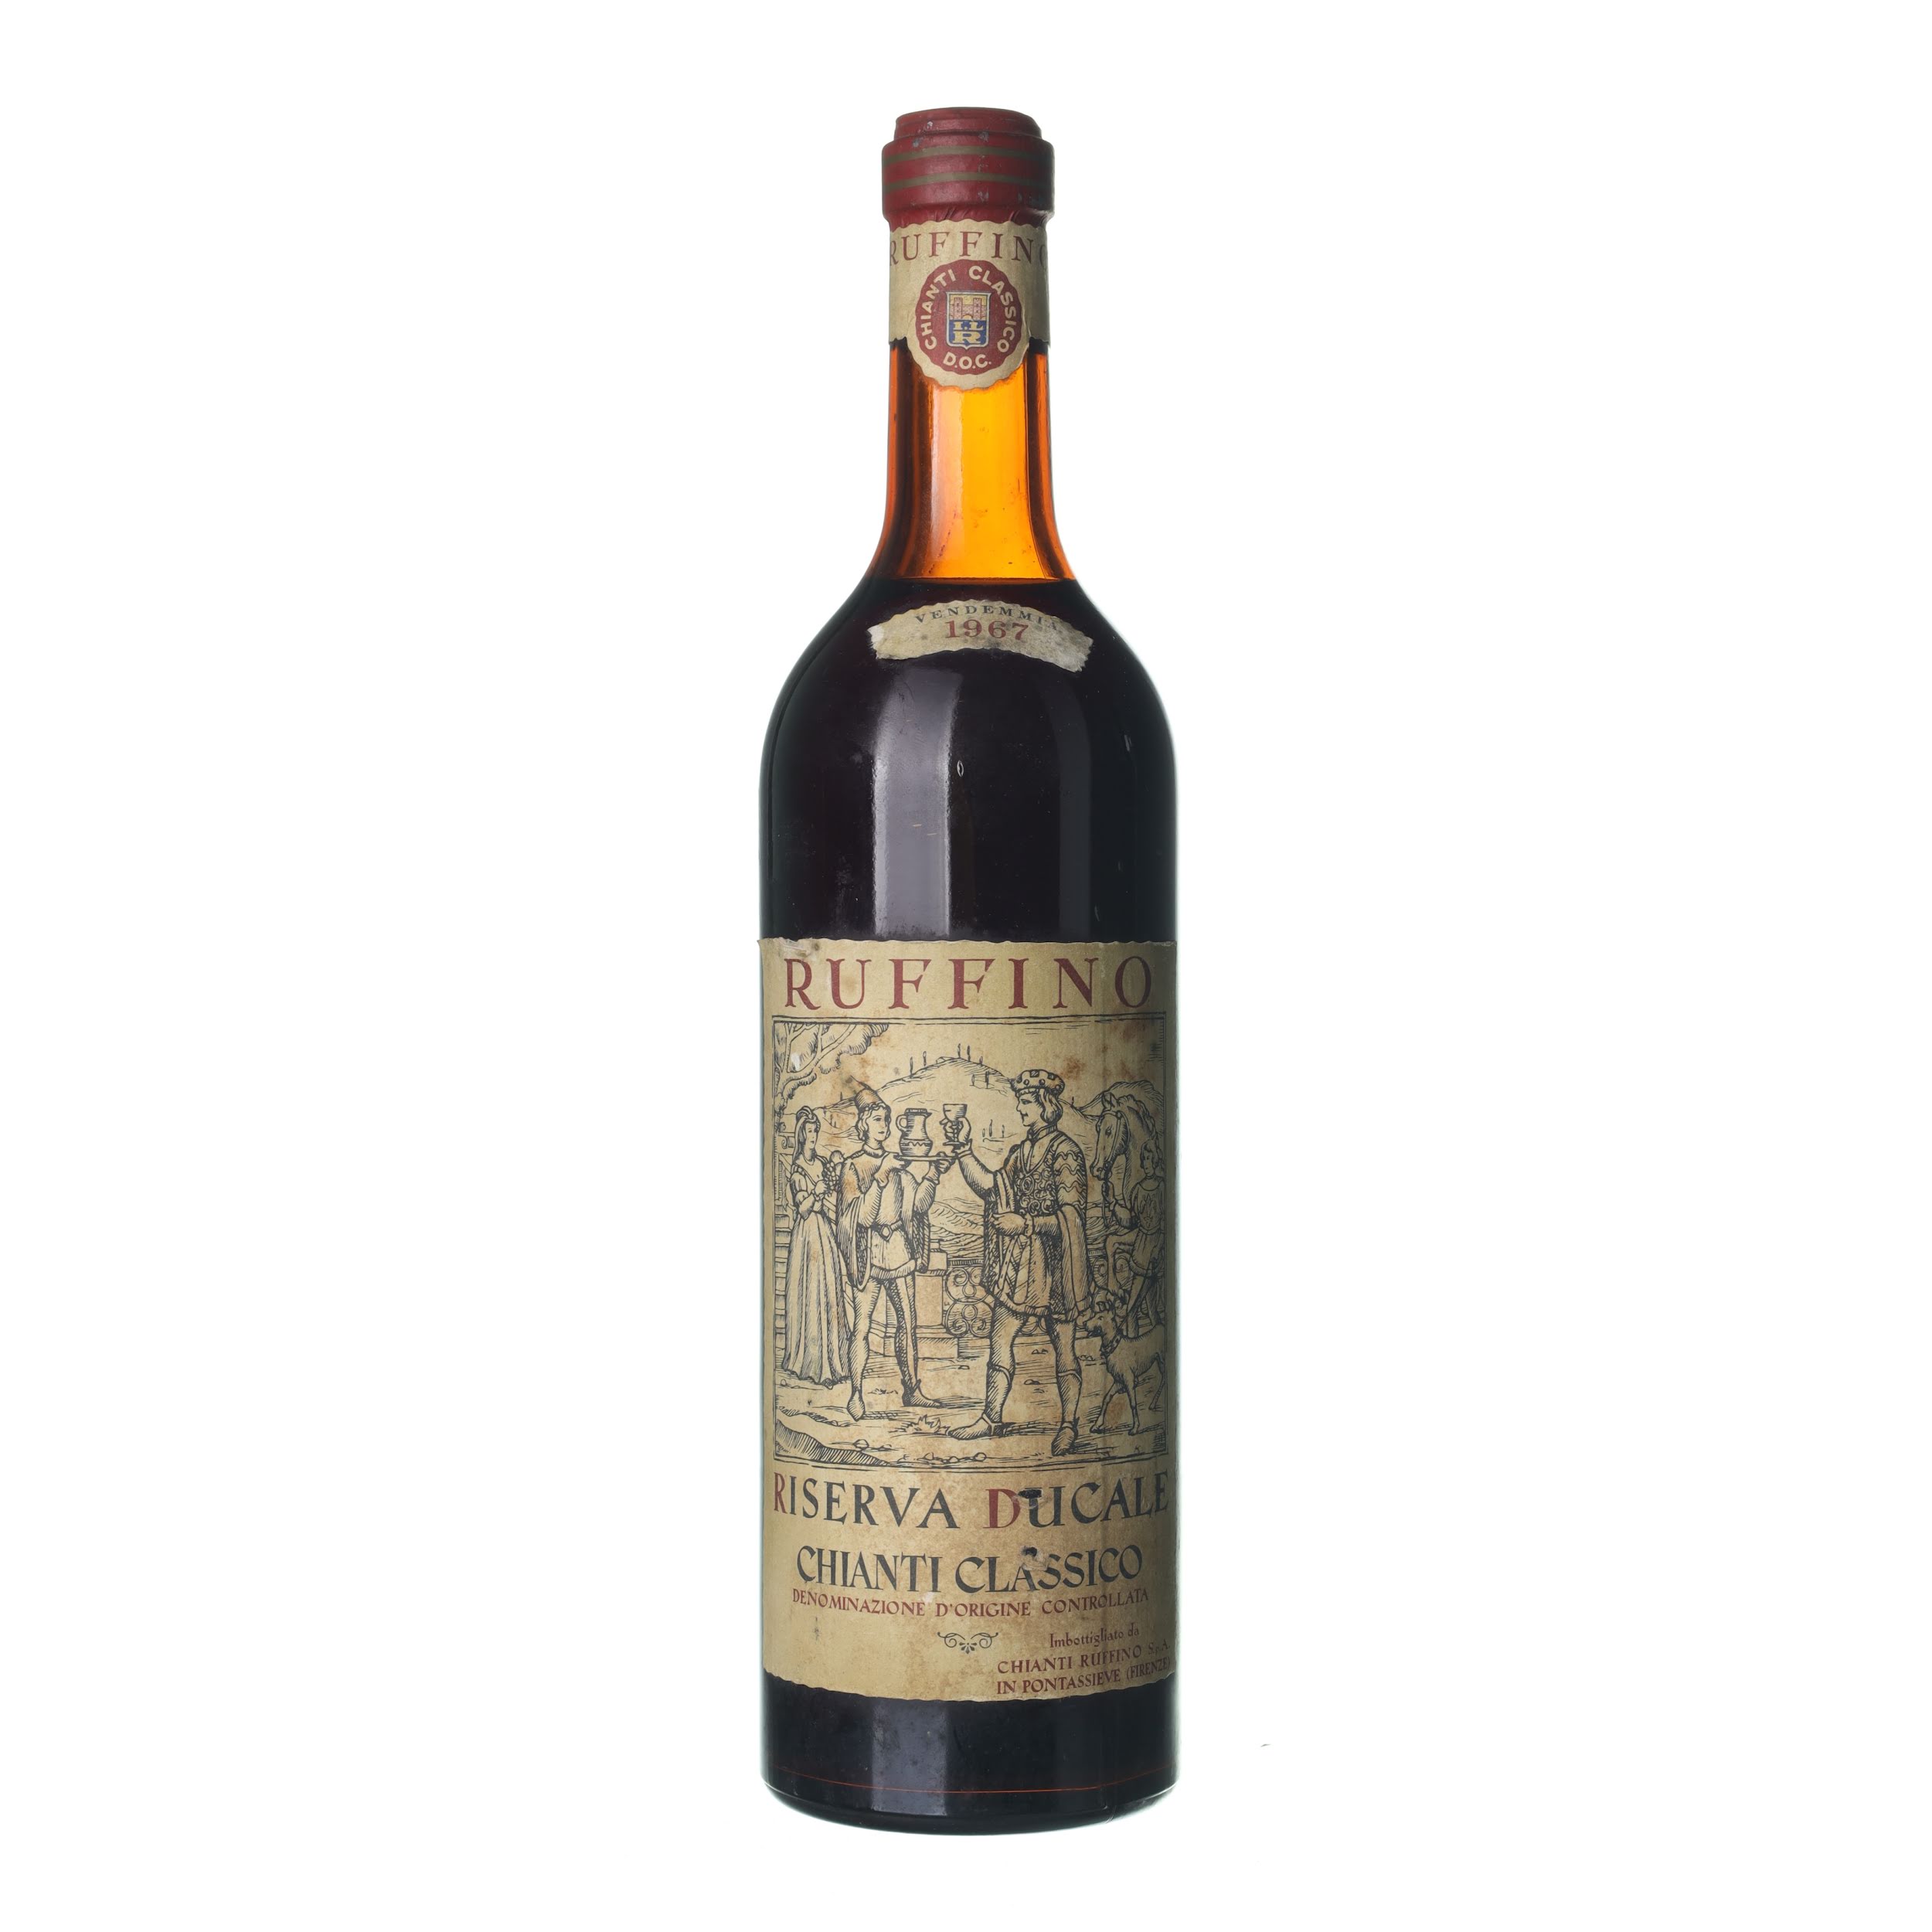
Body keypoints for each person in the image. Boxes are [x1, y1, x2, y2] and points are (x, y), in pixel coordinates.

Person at [947, 1070, 1090, 1456]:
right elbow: (991, 1188)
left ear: (1045, 1105)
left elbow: (1071, 1216)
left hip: (1056, 1264)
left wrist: (1024, 1223)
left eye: (1026, 1102)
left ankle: (1068, 1425)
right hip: (1021, 1266)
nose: (1020, 1109)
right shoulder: (1020, 1153)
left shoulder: (1065, 1153)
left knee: (1064, 1348)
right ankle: (990, 1417)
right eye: (1020, 1102)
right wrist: (963, 1149)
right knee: (1000, 1339)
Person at [836, 1091, 938, 1420]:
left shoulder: (898, 1163)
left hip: (898, 1251)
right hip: (868, 1253)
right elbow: (862, 1217)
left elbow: (917, 1205)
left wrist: (933, 1175)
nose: (884, 1126)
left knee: (908, 1322)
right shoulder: (853, 1167)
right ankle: (856, 1393)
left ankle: (912, 1389)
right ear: (864, 1124)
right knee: (862, 1326)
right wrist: (880, 1176)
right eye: (878, 1120)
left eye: (886, 1120)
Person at [781, 1107, 850, 1384]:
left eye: (815, 1131)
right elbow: (804, 1208)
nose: (813, 1135)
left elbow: (830, 1191)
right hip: (808, 1235)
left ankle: (833, 1362)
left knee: (830, 1292)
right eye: (809, 1131)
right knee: (811, 1293)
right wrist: (816, 1192)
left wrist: (835, 1171)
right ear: (801, 1135)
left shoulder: (820, 1162)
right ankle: (811, 1363)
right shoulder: (798, 1169)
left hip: (824, 1232)